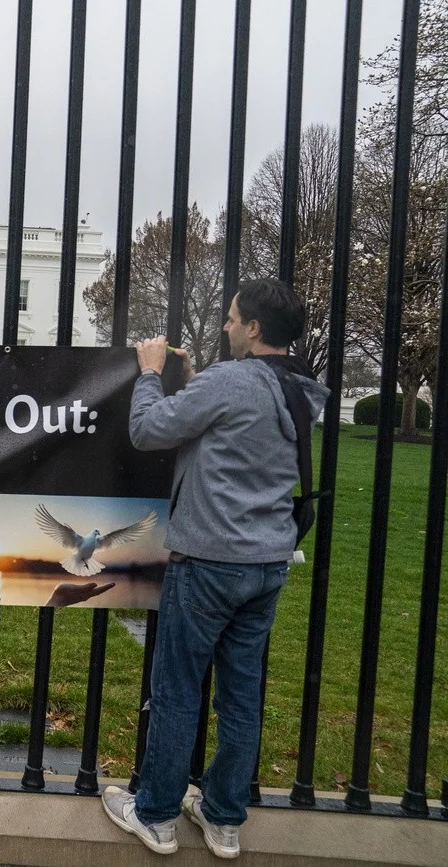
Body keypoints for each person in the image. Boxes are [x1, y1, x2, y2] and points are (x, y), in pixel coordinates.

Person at [101, 278, 328, 859]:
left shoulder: (234, 381)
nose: (226, 326)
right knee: (241, 696)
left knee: (178, 691)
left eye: (231, 319)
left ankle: (154, 814)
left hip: (207, 564)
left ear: (253, 328)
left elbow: (149, 429)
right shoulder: (303, 391)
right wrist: (200, 378)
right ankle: (224, 818)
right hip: (266, 565)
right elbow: (235, 424)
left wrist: (150, 374)